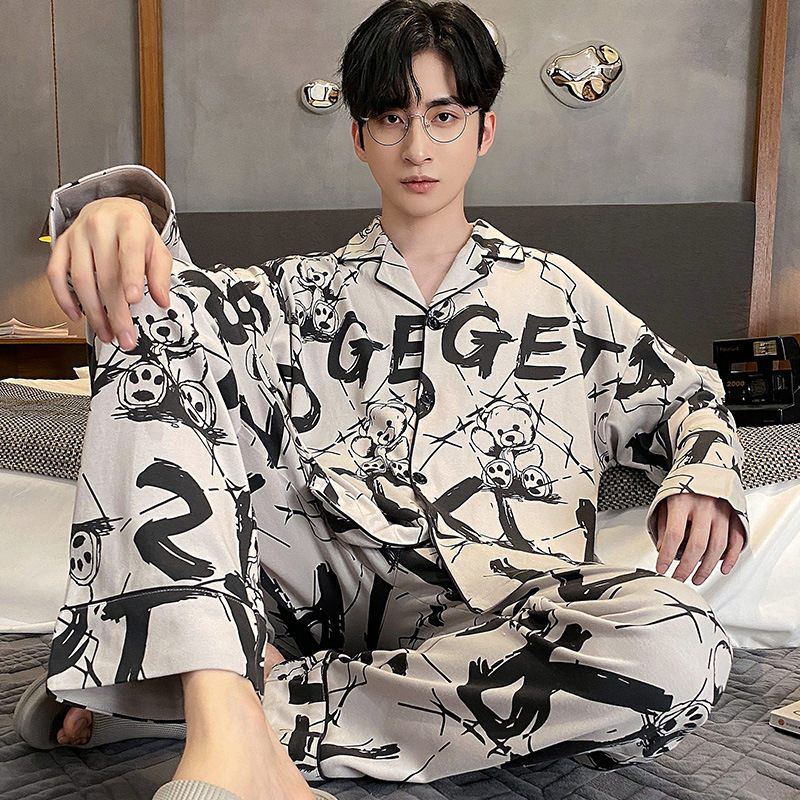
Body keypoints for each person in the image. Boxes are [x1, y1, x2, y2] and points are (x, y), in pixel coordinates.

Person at [16, 2, 748, 799]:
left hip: (504, 611)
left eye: (444, 116)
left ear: (484, 130)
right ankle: (217, 690)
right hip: (312, 589)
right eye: (393, 118)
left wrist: (704, 476)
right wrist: (121, 211)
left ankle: (225, 704)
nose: (418, 147)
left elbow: (689, 395)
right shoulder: (294, 294)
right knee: (148, 317)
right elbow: (173, 313)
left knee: (681, 642)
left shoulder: (560, 296)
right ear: (359, 136)